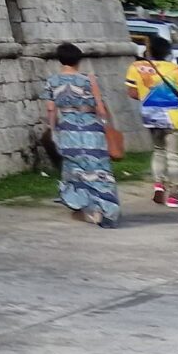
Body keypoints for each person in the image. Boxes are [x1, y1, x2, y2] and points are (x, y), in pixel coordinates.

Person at [43, 44, 121, 229]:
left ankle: (83, 207)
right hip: (91, 128)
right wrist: (107, 126)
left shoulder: (52, 81)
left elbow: (50, 109)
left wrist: (53, 130)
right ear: (79, 60)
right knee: (98, 168)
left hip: (68, 129)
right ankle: (106, 209)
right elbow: (100, 108)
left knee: (75, 169)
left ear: (60, 59)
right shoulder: (89, 79)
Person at [126, 32, 178, 209]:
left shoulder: (137, 66)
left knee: (158, 151)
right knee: (173, 157)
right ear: (167, 52)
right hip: (172, 117)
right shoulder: (176, 70)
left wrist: (149, 97)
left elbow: (133, 93)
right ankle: (174, 196)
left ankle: (158, 185)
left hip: (150, 115)